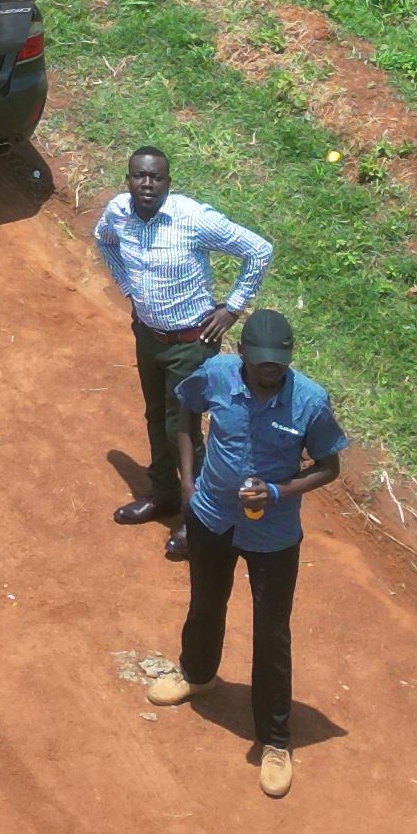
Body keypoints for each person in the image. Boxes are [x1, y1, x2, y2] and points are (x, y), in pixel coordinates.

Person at [144, 306, 347, 799]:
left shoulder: (310, 403)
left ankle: (275, 739)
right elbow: (187, 411)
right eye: (261, 361)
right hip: (211, 517)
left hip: (274, 535)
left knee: (271, 632)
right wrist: (188, 482)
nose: (270, 369)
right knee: (205, 603)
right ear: (242, 355)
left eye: (278, 361)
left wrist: (278, 492)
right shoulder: (215, 375)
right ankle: (196, 674)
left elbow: (330, 466)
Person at [91, 146, 276, 558]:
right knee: (156, 416)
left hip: (191, 344)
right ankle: (165, 495)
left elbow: (258, 250)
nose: (147, 184)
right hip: (148, 336)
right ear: (128, 179)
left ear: (168, 183)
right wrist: (128, 289)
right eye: (139, 175)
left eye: (156, 177)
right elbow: (103, 240)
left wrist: (232, 307)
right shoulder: (118, 212)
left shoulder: (193, 220)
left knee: (185, 432)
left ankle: (205, 519)